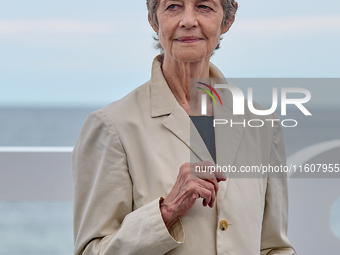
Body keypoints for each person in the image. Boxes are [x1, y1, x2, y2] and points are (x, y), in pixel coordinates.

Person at [72, 0, 296, 254]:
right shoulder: (112, 126)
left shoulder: (262, 124)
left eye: (204, 7)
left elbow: (274, 247)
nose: (188, 20)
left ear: (228, 19)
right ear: (152, 18)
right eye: (173, 6)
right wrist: (166, 212)